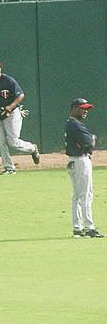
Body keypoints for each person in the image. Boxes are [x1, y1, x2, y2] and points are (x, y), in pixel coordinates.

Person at [0, 60, 40, 175]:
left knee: (13, 142)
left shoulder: (8, 80)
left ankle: (32, 148)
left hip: (12, 113)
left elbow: (20, 95)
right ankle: (9, 168)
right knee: (0, 142)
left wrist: (9, 108)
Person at [65, 98, 104, 238]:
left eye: (86, 109)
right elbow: (90, 143)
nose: (85, 111)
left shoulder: (71, 123)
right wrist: (92, 138)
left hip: (73, 161)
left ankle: (77, 228)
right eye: (82, 108)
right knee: (86, 195)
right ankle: (89, 227)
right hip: (81, 161)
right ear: (74, 108)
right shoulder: (76, 125)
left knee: (77, 196)